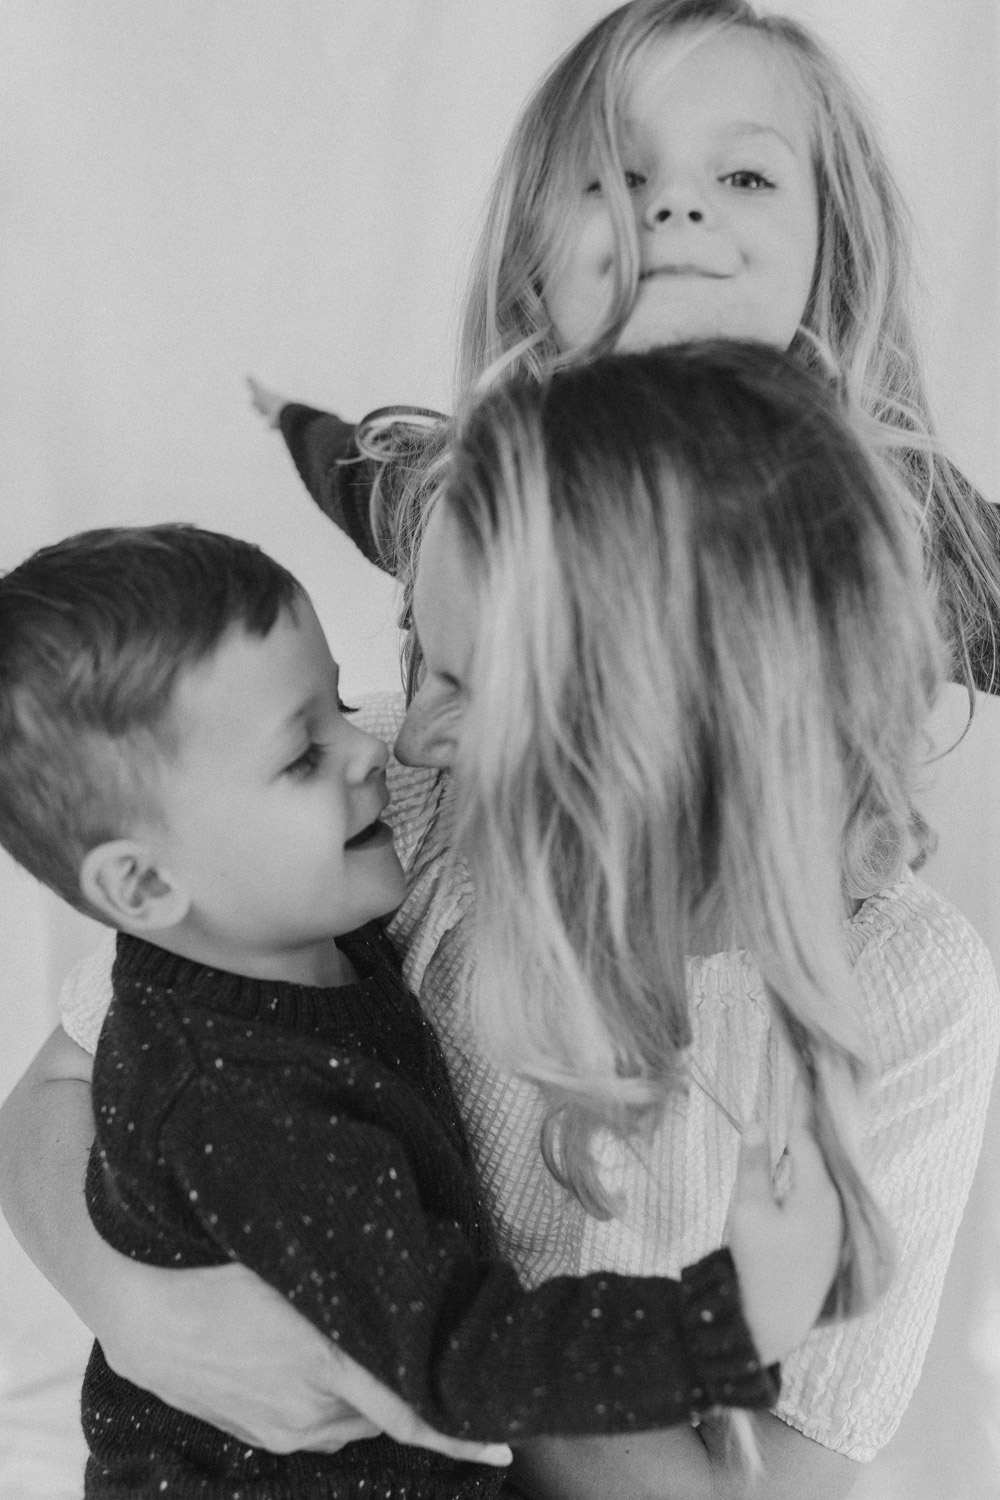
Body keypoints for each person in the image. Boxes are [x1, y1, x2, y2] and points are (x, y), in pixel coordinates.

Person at [4, 347, 997, 1500]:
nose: (402, 734)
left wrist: (419, 1336)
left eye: (468, 683)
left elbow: (779, 1481)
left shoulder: (906, 984)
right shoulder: (357, 830)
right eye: (417, 662)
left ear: (656, 719)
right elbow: (71, 1084)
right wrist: (144, 1315)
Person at [251, 0, 1000, 705]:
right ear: (532, 255)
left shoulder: (912, 515)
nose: (674, 202)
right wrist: (288, 415)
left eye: (744, 176)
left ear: (831, 239)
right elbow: (357, 469)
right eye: (618, 175)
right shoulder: (474, 496)